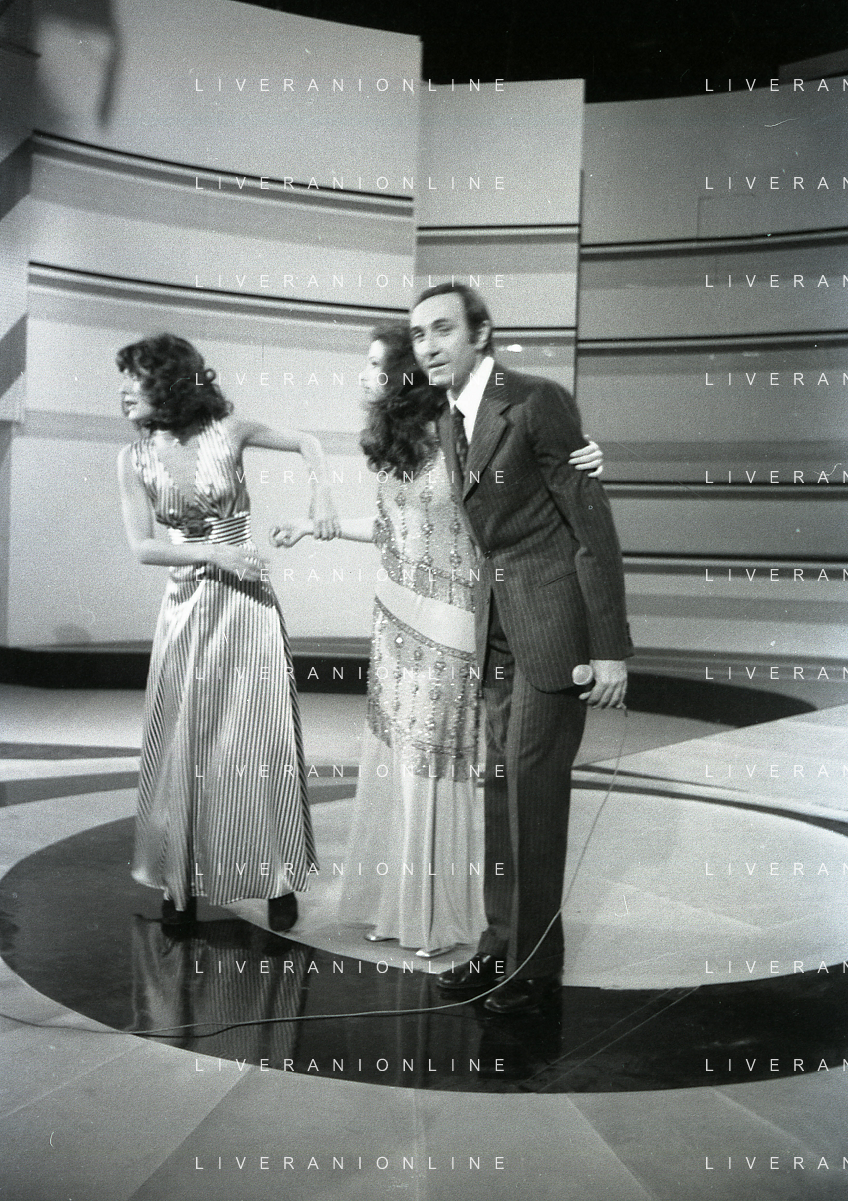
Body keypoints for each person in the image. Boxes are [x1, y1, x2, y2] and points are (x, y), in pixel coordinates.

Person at [272, 322, 604, 958]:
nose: (363, 374)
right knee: (399, 762)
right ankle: (398, 907)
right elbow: (394, 527)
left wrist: (586, 455)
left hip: (450, 620)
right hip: (394, 616)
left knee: (434, 763)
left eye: (374, 363)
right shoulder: (403, 442)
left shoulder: (461, 434)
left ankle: (437, 918)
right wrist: (315, 527)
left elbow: (530, 483)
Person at [409, 283, 632, 1015]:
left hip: (555, 630)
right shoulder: (449, 419)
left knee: (533, 797)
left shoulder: (536, 400)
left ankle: (533, 969)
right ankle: (499, 945)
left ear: (481, 333)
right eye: (418, 335)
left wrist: (610, 649)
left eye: (442, 330)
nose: (428, 346)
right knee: (502, 793)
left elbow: (591, 526)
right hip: (498, 630)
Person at [116, 333, 339, 934]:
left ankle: (277, 878)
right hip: (186, 611)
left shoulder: (230, 432)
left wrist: (320, 492)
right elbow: (142, 547)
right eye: (125, 380)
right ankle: (178, 883)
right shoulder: (132, 458)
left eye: (136, 378)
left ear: (169, 383)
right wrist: (213, 554)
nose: (125, 391)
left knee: (256, 739)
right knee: (182, 741)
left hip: (247, 611)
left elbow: (310, 442)